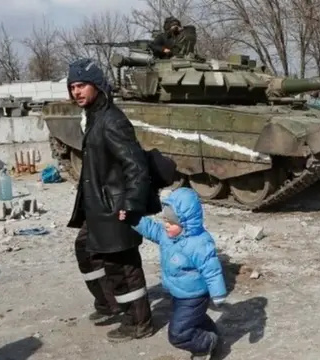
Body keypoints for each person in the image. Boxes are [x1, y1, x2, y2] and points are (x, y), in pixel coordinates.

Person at [66, 58, 155, 342]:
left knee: (123, 264)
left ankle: (138, 322)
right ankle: (110, 304)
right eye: (72, 87)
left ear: (97, 86)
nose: (76, 92)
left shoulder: (112, 120)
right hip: (97, 205)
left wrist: (131, 204)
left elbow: (136, 165)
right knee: (86, 249)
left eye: (81, 85)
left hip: (114, 207)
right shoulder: (94, 117)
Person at [121, 187, 227, 360]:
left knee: (178, 334)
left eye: (172, 222)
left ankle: (208, 343)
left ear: (185, 222)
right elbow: (152, 229)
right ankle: (208, 333)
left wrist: (218, 293)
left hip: (195, 295)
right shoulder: (167, 235)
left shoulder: (199, 243)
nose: (166, 225)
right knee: (193, 320)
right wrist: (134, 219)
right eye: (165, 220)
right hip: (178, 293)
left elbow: (212, 270)